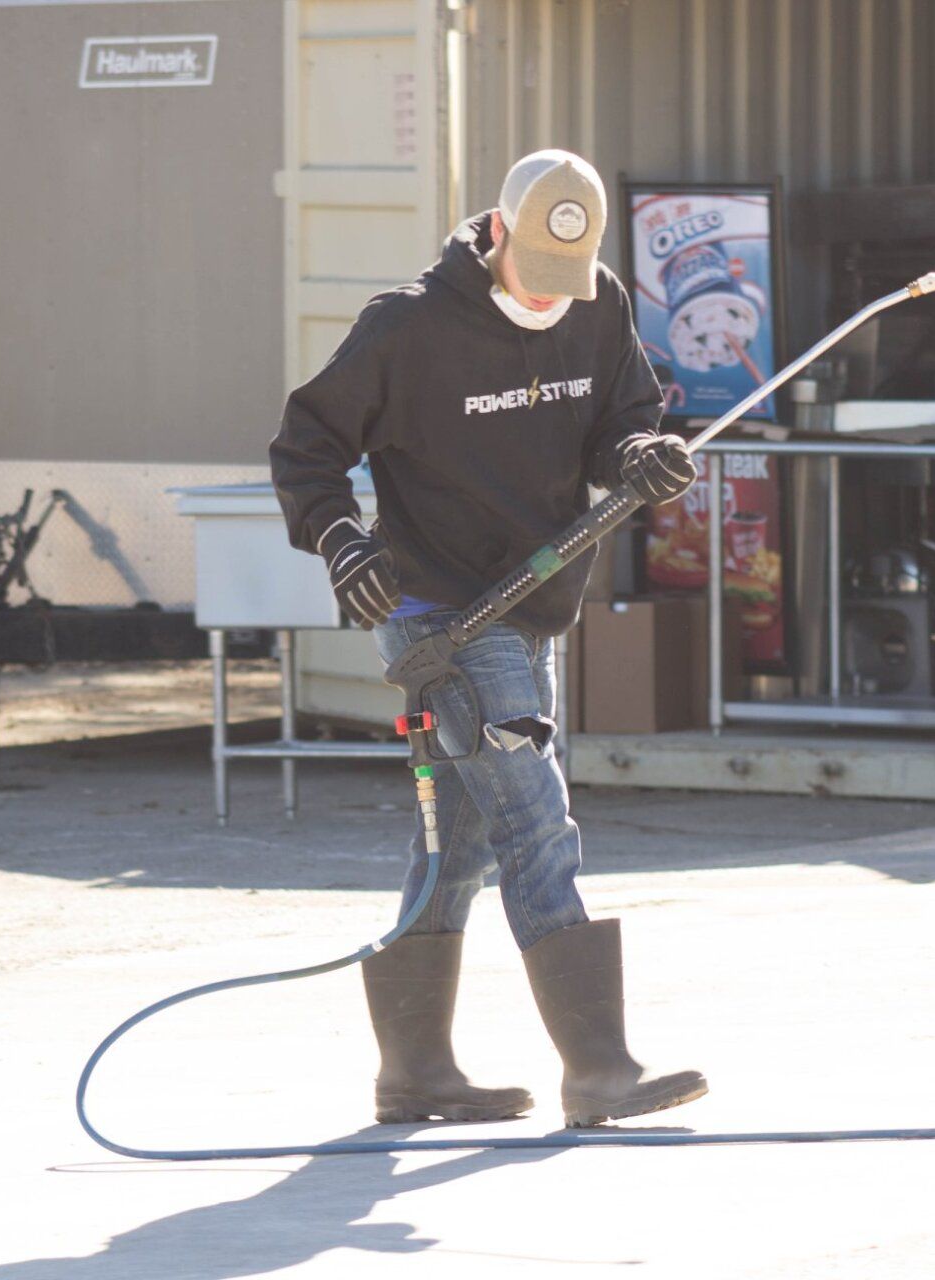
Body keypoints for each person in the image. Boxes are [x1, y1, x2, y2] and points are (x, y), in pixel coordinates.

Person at [270, 150, 708, 1128]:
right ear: (497, 231)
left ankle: (415, 1075)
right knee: (537, 821)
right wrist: (341, 540)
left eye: (568, 279)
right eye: (534, 272)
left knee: (456, 845)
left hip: (533, 605)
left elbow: (621, 420)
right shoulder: (408, 327)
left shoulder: (596, 304)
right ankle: (599, 1068)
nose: (550, 297)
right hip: (439, 616)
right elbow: (306, 447)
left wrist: (640, 453)